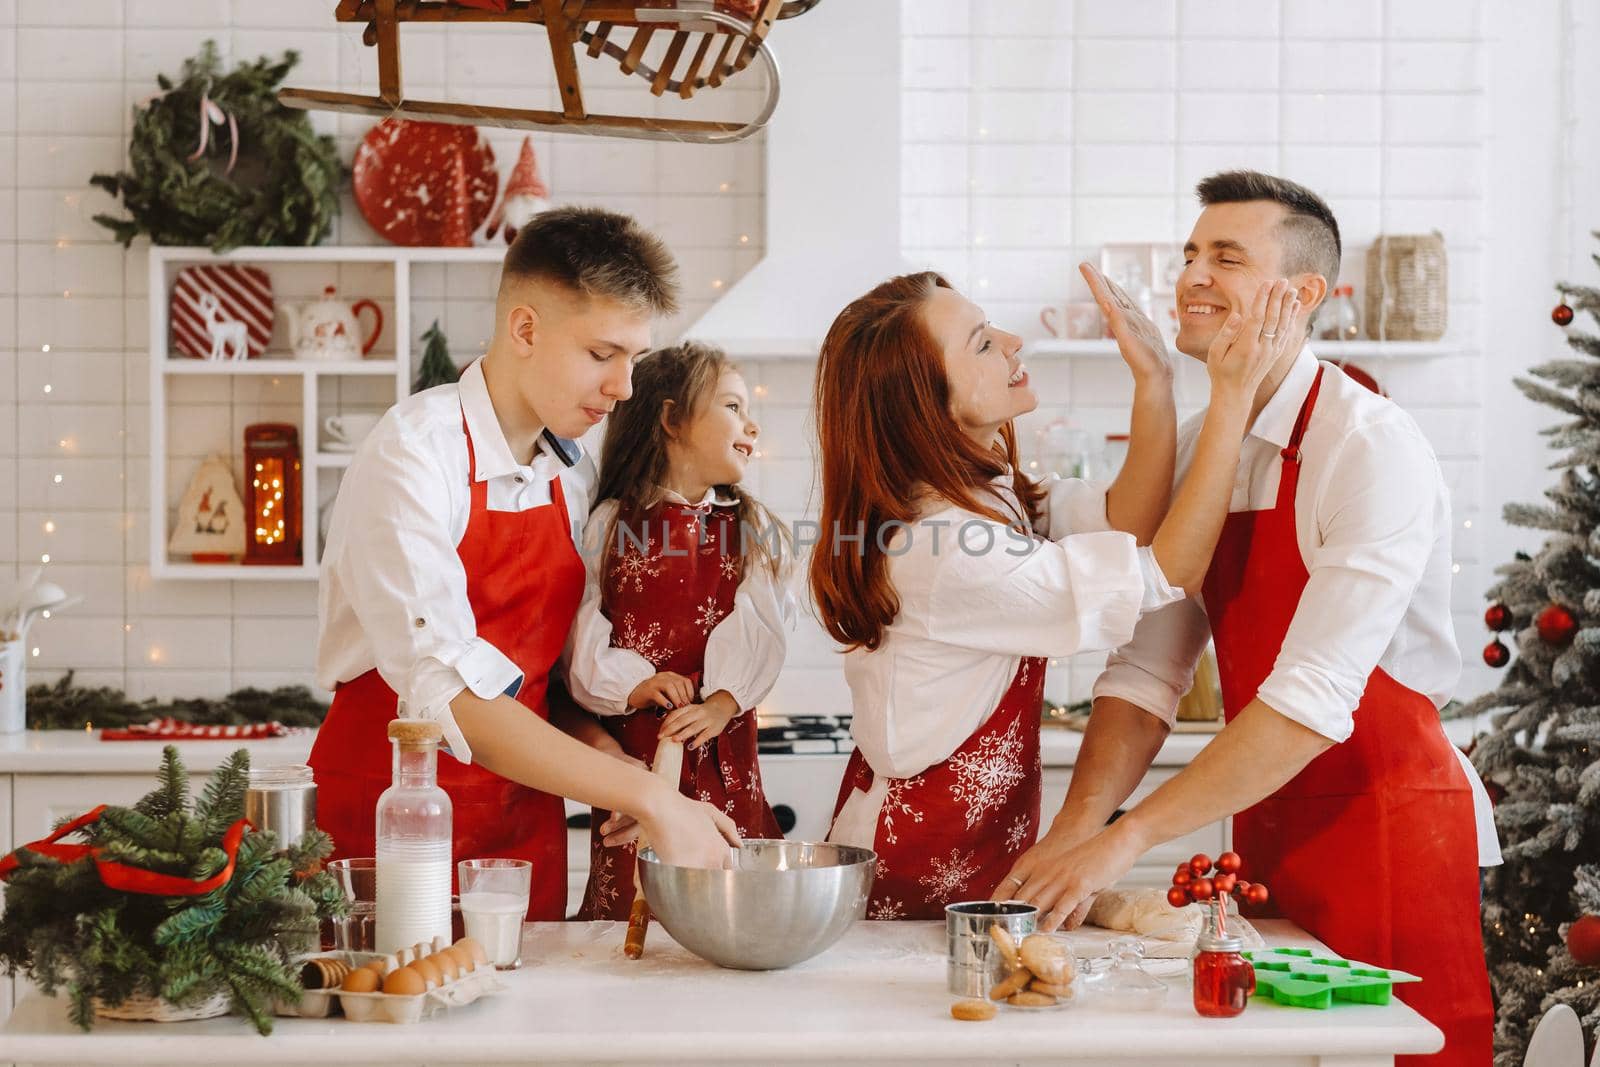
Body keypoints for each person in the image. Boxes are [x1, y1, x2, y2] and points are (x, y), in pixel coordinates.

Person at [996, 171, 1495, 1065]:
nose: (1193, 275)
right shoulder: (1203, 445)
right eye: (1190, 253)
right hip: (1265, 812)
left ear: (1301, 294)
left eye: (1226, 257)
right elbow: (1146, 674)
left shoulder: (1367, 445)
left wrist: (1132, 834)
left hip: (1385, 819)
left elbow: (1312, 698)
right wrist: (1079, 826)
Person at [810, 265, 1297, 919]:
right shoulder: (947, 547)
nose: (1012, 341)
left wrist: (1153, 377)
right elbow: (1166, 573)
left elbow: (1124, 521)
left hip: (963, 849)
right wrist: (1230, 402)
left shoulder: (983, 495)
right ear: (927, 401)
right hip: (911, 863)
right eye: (982, 342)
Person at [311, 207, 739, 922]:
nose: (624, 388)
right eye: (603, 354)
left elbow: (544, 683)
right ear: (525, 329)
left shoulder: (570, 472)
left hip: (519, 839)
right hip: (389, 828)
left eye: (633, 359)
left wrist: (613, 766)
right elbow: (449, 693)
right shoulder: (413, 455)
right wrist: (646, 796)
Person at [564, 341, 794, 919]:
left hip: (721, 751)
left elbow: (763, 631)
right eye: (733, 407)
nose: (751, 423)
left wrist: (722, 701)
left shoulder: (750, 529)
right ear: (671, 419)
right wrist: (631, 685)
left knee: (728, 903)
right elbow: (581, 631)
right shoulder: (609, 523)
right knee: (635, 896)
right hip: (636, 757)